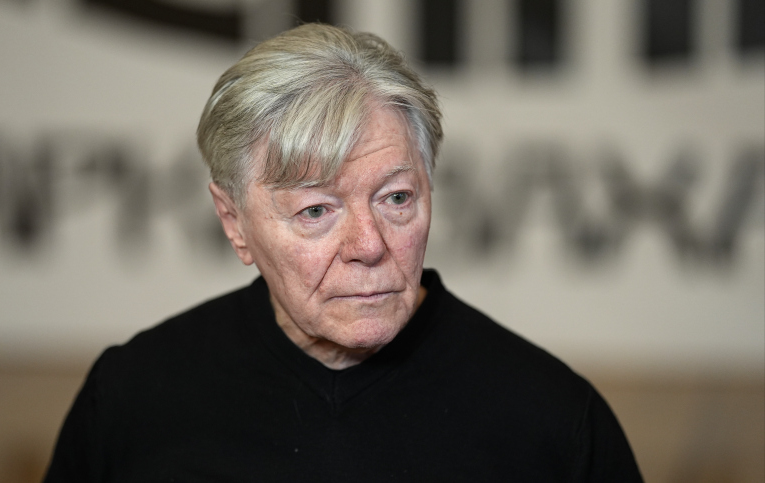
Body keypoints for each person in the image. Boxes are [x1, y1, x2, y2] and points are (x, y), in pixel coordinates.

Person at [44, 23, 643, 482]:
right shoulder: (135, 397)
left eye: (397, 198)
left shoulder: (551, 420)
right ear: (234, 222)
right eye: (316, 211)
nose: (370, 246)